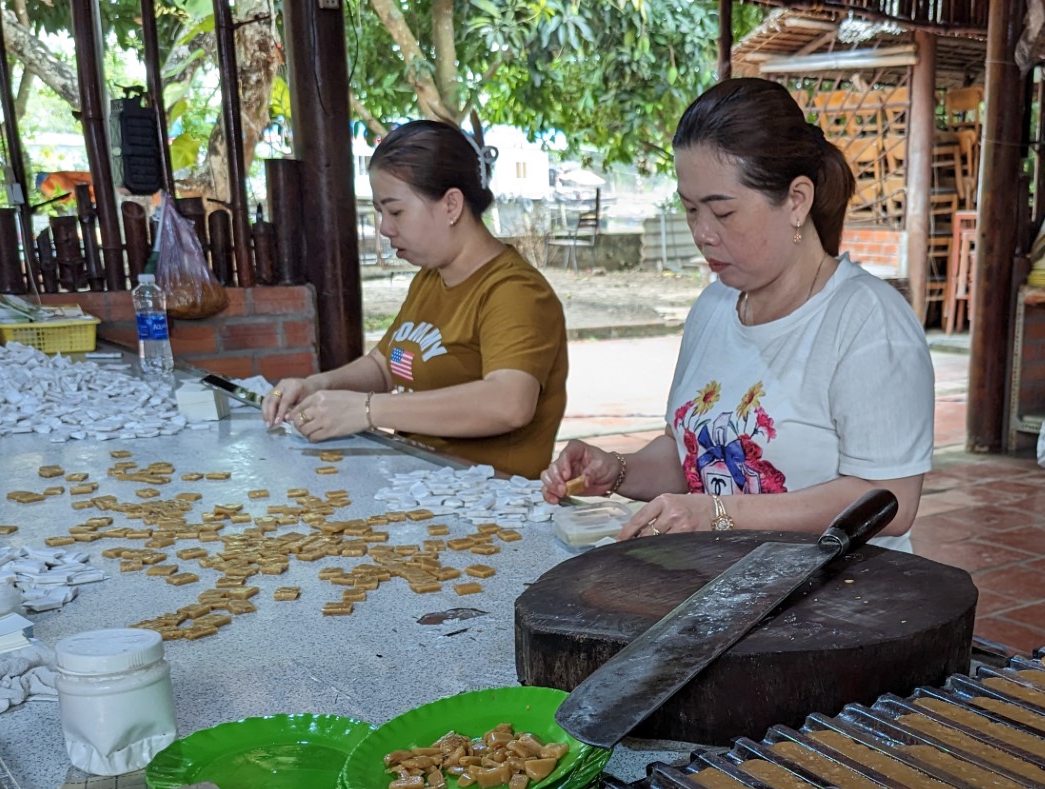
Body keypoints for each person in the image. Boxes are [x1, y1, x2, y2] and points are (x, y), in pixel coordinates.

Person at [539, 79, 934, 550]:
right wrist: (618, 469)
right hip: (723, 585)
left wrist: (720, 513)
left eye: (722, 213)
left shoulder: (867, 322)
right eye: (690, 210)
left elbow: (890, 500)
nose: (702, 234)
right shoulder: (714, 307)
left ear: (796, 201)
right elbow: (688, 453)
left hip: (836, 602)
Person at [262, 120, 569, 476]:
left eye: (396, 211)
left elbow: (509, 403)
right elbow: (385, 365)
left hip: (488, 502)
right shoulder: (430, 278)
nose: (384, 228)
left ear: (451, 205)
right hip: (420, 483)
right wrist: (318, 385)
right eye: (380, 213)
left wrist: (366, 411)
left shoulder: (515, 292)